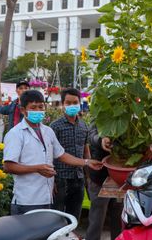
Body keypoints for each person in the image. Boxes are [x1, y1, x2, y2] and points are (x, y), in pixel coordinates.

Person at [3, 90, 103, 215]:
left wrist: (87, 162)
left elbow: (62, 155)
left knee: (49, 231)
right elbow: (8, 166)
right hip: (26, 200)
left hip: (46, 197)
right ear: (23, 110)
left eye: (41, 107)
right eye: (33, 108)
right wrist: (37, 168)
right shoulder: (15, 134)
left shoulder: (48, 131)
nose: (38, 111)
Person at [50, 88, 90, 221]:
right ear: (62, 104)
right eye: (68, 103)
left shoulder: (84, 126)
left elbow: (86, 152)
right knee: (57, 217)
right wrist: (52, 180)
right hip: (60, 179)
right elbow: (49, 154)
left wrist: (88, 177)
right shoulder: (55, 126)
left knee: (74, 217)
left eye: (75, 102)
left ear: (80, 103)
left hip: (78, 178)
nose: (72, 106)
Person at [86, 125, 123, 240]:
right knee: (97, 217)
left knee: (118, 216)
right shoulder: (100, 116)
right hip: (100, 178)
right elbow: (92, 135)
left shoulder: (128, 117)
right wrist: (101, 140)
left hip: (119, 178)